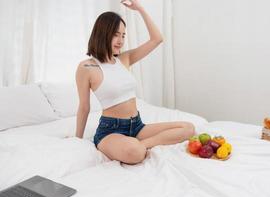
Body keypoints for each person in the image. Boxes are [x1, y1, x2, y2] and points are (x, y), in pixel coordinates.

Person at [75, 0, 196, 165]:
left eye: (123, 35)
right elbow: (84, 107)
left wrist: (140, 9)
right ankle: (135, 147)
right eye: (115, 34)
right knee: (136, 153)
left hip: (137, 126)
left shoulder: (124, 58)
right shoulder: (87, 66)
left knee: (188, 128)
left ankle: (140, 144)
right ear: (102, 33)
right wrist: (77, 139)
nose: (121, 40)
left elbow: (157, 39)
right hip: (110, 131)